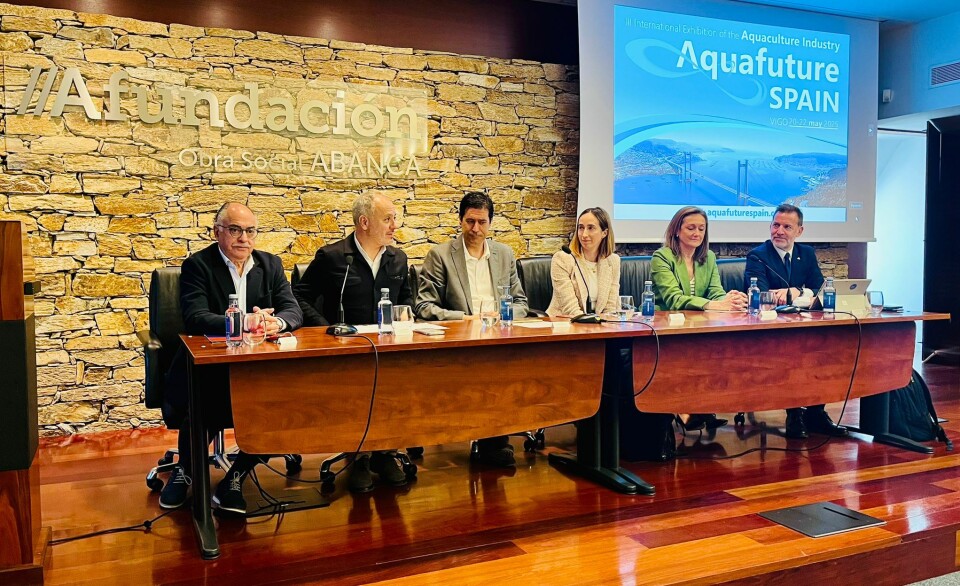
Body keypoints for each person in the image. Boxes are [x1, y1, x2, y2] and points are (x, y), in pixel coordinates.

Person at [161, 202, 303, 514]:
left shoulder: (271, 265)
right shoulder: (198, 266)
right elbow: (195, 316)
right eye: (235, 230)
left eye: (250, 231)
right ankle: (186, 469)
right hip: (207, 369)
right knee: (203, 406)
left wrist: (274, 322)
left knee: (280, 406)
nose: (243, 238)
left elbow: (292, 309)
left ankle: (236, 477)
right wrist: (241, 322)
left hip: (257, 369)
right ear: (217, 232)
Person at [293, 192, 413, 491]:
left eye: (394, 218)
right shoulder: (333, 257)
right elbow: (299, 295)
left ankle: (385, 453)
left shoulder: (398, 258)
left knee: (395, 391)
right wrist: (326, 328)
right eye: (387, 219)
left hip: (388, 348)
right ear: (364, 222)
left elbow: (407, 298)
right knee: (356, 392)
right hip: (346, 350)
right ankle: (357, 456)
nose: (394, 225)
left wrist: (407, 316)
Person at [415, 191, 530, 466]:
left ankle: (494, 438)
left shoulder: (504, 254)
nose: (475, 229)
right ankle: (490, 440)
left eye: (481, 222)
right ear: (460, 220)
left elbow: (522, 303)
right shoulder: (441, 255)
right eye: (469, 222)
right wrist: (465, 318)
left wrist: (502, 315)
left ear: (490, 223)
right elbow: (424, 306)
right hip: (460, 339)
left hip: (499, 335)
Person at [744, 203, 847, 439]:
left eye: (786, 227)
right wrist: (802, 295)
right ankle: (795, 414)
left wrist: (793, 292)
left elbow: (819, 289)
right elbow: (761, 296)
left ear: (799, 231)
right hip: (771, 329)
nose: (779, 231)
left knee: (825, 351)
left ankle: (816, 413)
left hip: (805, 323)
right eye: (775, 225)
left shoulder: (807, 253)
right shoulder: (758, 256)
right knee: (794, 353)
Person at [651, 205, 747, 431]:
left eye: (701, 229)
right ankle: (686, 409)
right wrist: (716, 305)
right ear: (677, 230)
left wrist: (730, 299)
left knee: (720, 349)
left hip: (699, 325)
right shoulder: (662, 257)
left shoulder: (708, 257)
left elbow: (715, 291)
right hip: (667, 326)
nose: (696, 233)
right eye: (691, 228)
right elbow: (673, 298)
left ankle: (701, 406)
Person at [546, 207, 621, 317]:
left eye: (590, 228)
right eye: (581, 228)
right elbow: (570, 308)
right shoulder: (563, 259)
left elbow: (611, 307)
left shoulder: (613, 261)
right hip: (566, 324)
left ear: (604, 233)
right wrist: (592, 326)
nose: (584, 234)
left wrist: (605, 325)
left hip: (601, 327)